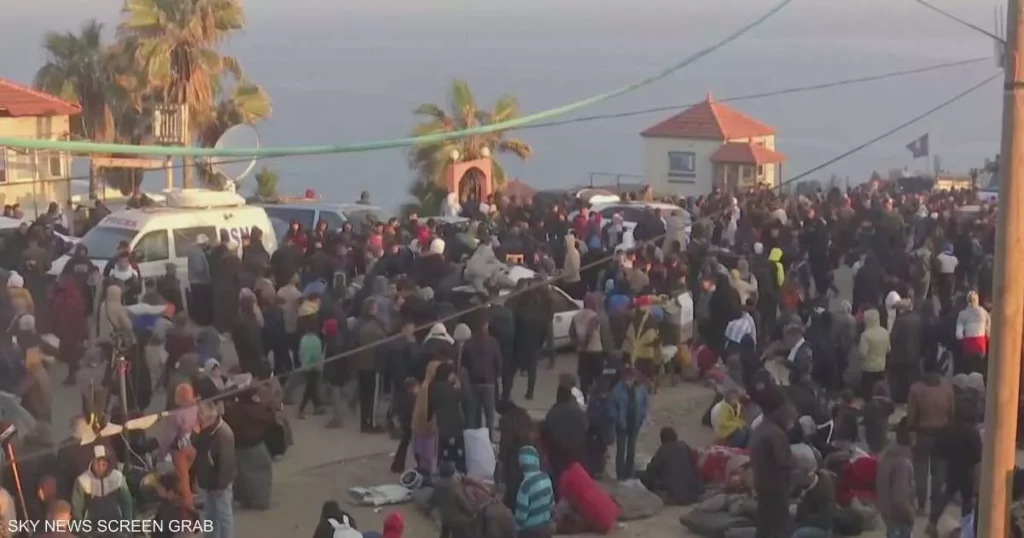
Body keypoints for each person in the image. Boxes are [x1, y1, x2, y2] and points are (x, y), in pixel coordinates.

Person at [926, 406, 982, 538]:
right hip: (967, 468)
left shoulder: (948, 429)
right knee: (967, 500)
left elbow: (938, 449)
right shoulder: (972, 432)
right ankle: (966, 527)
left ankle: (932, 522)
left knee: (946, 494)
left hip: (952, 467)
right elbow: (978, 454)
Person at [907, 371, 954, 514]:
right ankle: (936, 504)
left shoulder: (916, 389)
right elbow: (952, 413)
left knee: (920, 471)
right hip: (942, 434)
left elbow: (911, 415)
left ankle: (921, 505)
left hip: (923, 433)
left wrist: (910, 431)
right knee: (939, 473)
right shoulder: (947, 389)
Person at [749, 398, 796, 538]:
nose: (792, 425)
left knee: (764, 522)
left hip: (760, 481)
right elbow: (783, 461)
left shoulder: (760, 428)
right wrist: (796, 461)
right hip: (776, 484)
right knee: (779, 523)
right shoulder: (777, 434)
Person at [194, 400, 235, 538]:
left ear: (208, 418)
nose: (197, 418)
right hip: (209, 482)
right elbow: (199, 447)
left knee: (223, 516)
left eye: (199, 415)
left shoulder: (223, 435)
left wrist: (220, 486)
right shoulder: (207, 429)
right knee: (211, 514)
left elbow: (226, 464)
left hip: (219, 485)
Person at [70, 445, 133, 531]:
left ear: (108, 464)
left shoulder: (118, 477)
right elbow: (76, 509)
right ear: (91, 463)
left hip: (116, 526)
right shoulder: (82, 481)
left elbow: (127, 504)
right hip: (91, 528)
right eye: (97, 463)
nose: (100, 467)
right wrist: (81, 530)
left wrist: (127, 526)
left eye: (103, 464)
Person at [641, 427, 703, 505]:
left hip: (673, 496)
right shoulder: (685, 447)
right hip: (693, 493)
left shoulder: (663, 450)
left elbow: (651, 472)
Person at [877, 419, 916, 538]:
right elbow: (900, 498)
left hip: (888, 513)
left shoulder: (887, 455)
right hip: (900, 517)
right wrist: (910, 515)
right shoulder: (903, 463)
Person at [610, 366, 648, 481]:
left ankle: (629, 472)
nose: (628, 382)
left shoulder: (641, 388)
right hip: (622, 425)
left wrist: (642, 418)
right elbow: (613, 408)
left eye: (631, 379)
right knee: (621, 450)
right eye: (626, 379)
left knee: (631, 449)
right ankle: (620, 475)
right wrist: (618, 420)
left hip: (634, 423)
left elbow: (644, 405)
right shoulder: (617, 390)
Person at [790, 444, 835, 538]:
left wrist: (798, 512)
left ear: (808, 474)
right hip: (794, 522)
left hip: (818, 528)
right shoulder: (796, 483)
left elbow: (824, 519)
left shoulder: (824, 487)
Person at [514, 446, 554, 538]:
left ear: (521, 464)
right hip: (546, 529)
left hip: (530, 532)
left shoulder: (525, 486)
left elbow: (521, 517)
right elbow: (551, 504)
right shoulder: (546, 478)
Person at [858, 308, 890, 399]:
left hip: (868, 369)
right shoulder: (885, 332)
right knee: (879, 394)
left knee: (868, 395)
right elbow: (888, 349)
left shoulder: (866, 335)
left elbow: (862, 353)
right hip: (881, 367)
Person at [297, 315, 325, 419]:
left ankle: (317, 406)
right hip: (314, 367)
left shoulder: (303, 339)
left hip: (305, 366)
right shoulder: (317, 340)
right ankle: (301, 409)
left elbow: (301, 353)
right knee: (310, 388)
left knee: (312, 387)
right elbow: (318, 355)